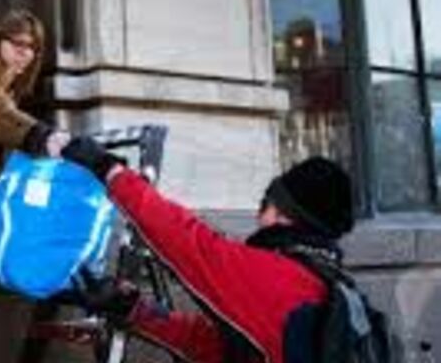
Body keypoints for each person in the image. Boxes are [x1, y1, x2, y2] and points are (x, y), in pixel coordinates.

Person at [61, 136, 358, 363]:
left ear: (284, 215)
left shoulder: (277, 278)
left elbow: (183, 238)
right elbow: (218, 348)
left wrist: (108, 169)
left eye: (264, 204)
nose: (258, 218)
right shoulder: (330, 287)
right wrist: (134, 311)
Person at [0, 8, 69, 202]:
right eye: (18, 43)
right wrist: (43, 136)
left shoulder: (11, 85)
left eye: (32, 47)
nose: (25, 53)